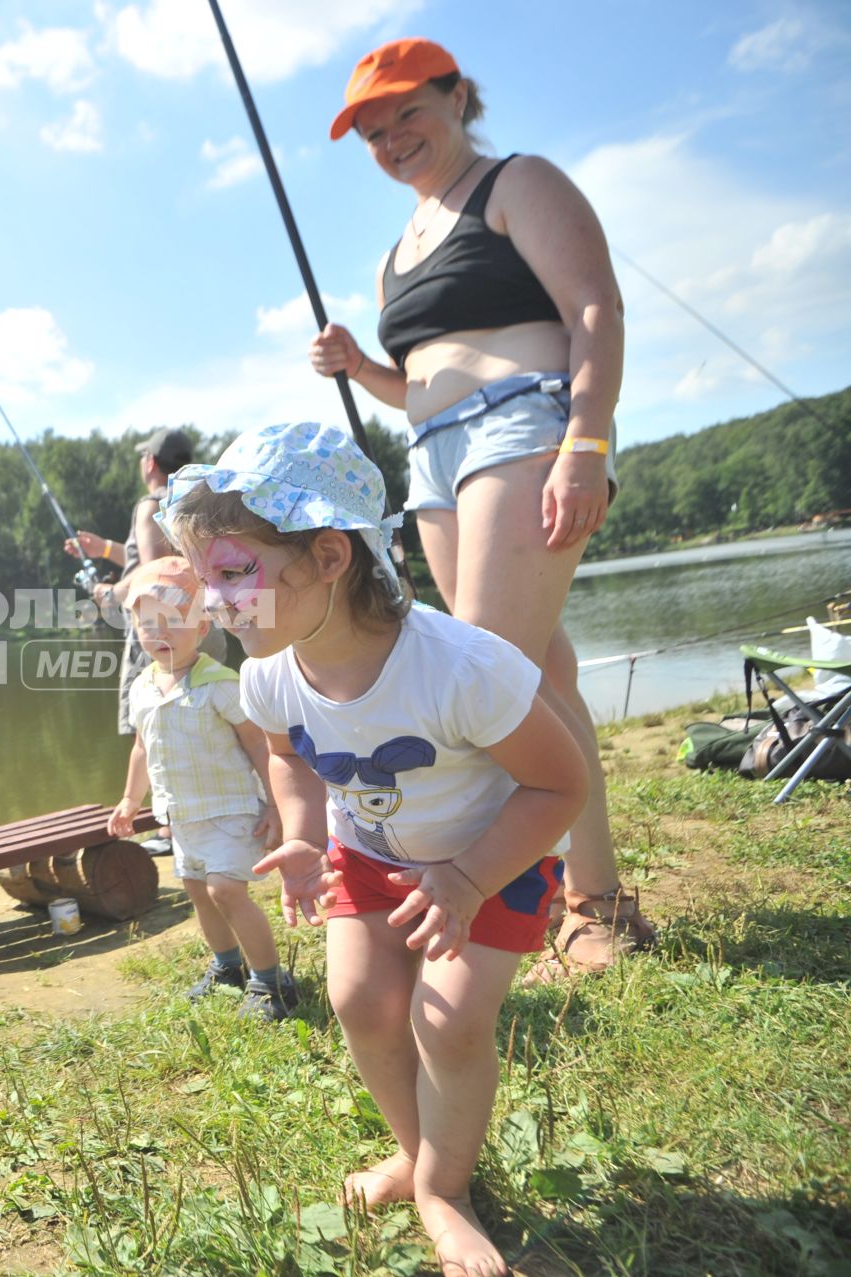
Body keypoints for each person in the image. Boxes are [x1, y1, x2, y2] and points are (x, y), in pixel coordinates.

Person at [159, 422, 587, 1277]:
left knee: (451, 1020)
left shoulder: (463, 667)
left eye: (233, 574)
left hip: (487, 859)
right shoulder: (269, 673)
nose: (214, 604)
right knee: (358, 998)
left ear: (329, 556)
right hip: (367, 854)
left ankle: (446, 1190)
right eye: (207, 581)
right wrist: (305, 835)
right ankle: (417, 1150)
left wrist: (465, 878)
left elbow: (560, 785)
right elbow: (289, 757)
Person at [308, 37, 654, 975]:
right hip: (433, 457)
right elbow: (416, 382)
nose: (392, 140)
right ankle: (600, 894)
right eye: (373, 133)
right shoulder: (395, 255)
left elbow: (594, 309)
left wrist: (586, 441)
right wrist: (363, 370)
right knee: (535, 668)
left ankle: (526, 902)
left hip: (526, 427)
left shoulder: (517, 182)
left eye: (407, 114)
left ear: (457, 97)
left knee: (490, 676)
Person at [106, 556, 293, 1020]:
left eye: (173, 621)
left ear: (203, 621)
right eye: (148, 624)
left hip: (230, 810)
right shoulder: (144, 688)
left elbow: (260, 746)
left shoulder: (220, 684)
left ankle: (269, 981)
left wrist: (276, 804)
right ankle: (227, 966)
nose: (159, 633)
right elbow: (142, 749)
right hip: (181, 815)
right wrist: (131, 799)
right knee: (197, 890)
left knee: (225, 891)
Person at [63, 426, 193, 737]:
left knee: (147, 729)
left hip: (157, 633)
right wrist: (105, 549)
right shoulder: (193, 501)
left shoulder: (150, 505)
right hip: (196, 629)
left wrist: (111, 593)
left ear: (150, 462)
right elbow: (169, 561)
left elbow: (153, 569)